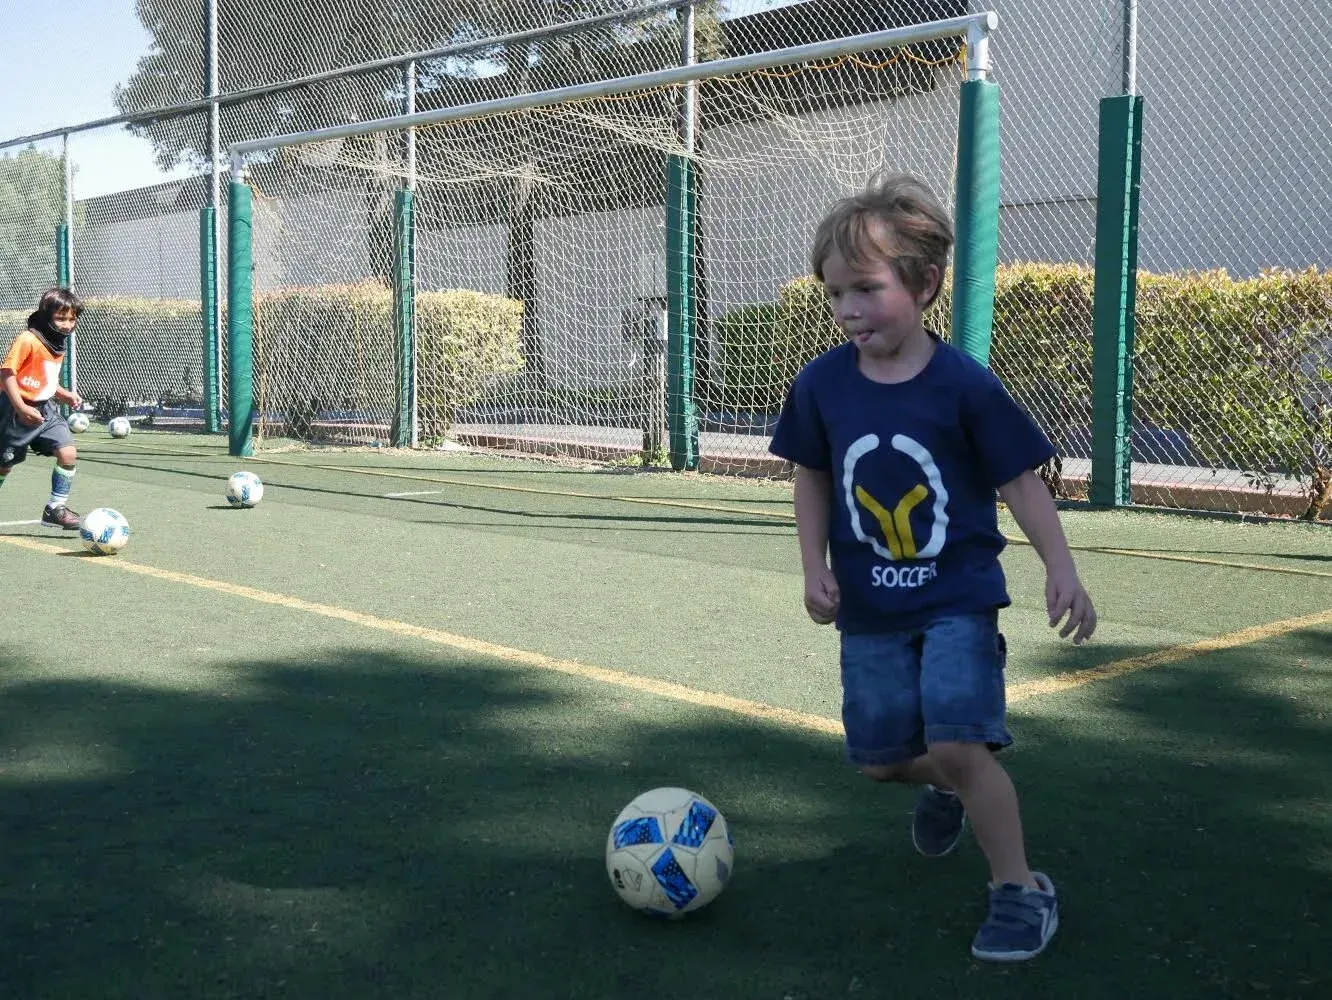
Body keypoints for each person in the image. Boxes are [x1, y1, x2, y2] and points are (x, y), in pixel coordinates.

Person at [768, 171, 1096, 962]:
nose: (848, 310)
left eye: (866, 290)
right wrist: (811, 565)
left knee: (956, 740)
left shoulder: (964, 387)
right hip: (871, 610)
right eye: (835, 293)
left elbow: (1020, 478)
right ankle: (957, 785)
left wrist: (1062, 567)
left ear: (924, 285)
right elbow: (811, 475)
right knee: (880, 763)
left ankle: (1020, 890)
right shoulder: (820, 386)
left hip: (958, 600)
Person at [0, 287, 87, 529]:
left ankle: (55, 509)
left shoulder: (56, 342)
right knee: (4, 464)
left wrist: (64, 394)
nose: (67, 325)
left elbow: (44, 379)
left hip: (45, 410)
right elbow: (7, 373)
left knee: (68, 453)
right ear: (46, 316)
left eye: (72, 319)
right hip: (15, 410)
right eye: (61, 318)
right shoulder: (28, 339)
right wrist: (20, 407)